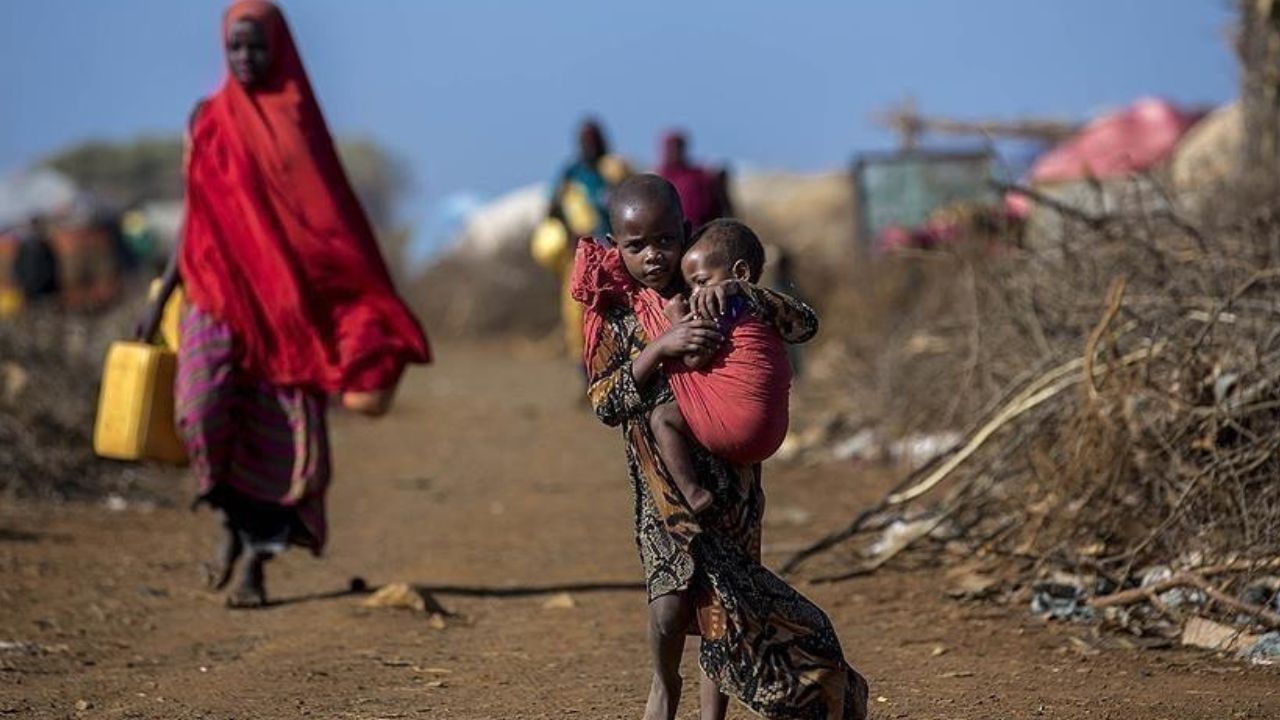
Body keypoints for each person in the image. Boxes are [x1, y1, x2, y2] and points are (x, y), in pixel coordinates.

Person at [138, 0, 430, 607]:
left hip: (286, 308)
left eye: (257, 47)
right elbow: (196, 210)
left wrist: (355, 300)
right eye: (236, 47)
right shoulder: (207, 118)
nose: (246, 58)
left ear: (280, 49)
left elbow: (327, 220)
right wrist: (164, 289)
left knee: (281, 436)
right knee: (202, 409)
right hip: (214, 292)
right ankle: (226, 520)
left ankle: (255, 562)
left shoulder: (297, 120)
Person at [572, 174, 868, 720]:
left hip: (732, 482)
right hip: (662, 489)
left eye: (665, 240)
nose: (654, 256)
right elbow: (604, 402)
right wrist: (659, 348)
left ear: (685, 231)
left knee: (721, 610)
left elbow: (804, 325)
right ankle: (664, 685)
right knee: (667, 607)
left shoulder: (711, 285)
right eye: (636, 246)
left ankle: (715, 715)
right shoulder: (617, 314)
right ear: (616, 246)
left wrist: (745, 291)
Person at [539, 119, 631, 360]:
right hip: (580, 252)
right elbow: (552, 207)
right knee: (577, 312)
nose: (589, 145)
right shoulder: (571, 174)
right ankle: (587, 374)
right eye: (584, 140)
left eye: (593, 140)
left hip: (616, 252)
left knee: (621, 309)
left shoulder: (616, 169)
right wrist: (570, 232)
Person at [655, 131, 732, 230]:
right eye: (671, 148)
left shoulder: (701, 177)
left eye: (678, 147)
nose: (674, 152)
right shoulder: (658, 180)